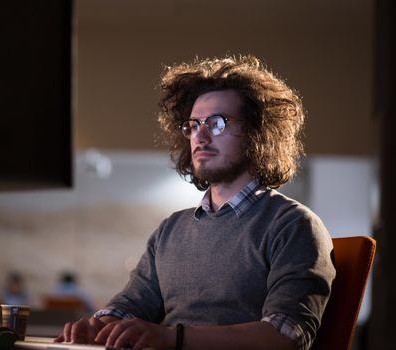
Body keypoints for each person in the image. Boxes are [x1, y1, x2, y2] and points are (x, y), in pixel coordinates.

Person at [55, 55, 336, 350]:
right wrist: (97, 327)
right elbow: (129, 307)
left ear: (258, 133)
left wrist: (170, 337)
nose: (199, 136)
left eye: (216, 123)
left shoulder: (293, 225)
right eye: (193, 125)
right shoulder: (171, 229)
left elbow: (285, 337)